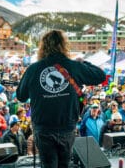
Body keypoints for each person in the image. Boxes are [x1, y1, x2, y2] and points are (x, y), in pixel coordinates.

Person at [16, 30, 106, 167]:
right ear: (64, 45)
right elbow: (100, 75)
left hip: (43, 128)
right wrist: (83, 62)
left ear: (43, 47)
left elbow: (21, 96)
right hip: (66, 127)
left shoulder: (33, 69)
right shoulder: (73, 66)